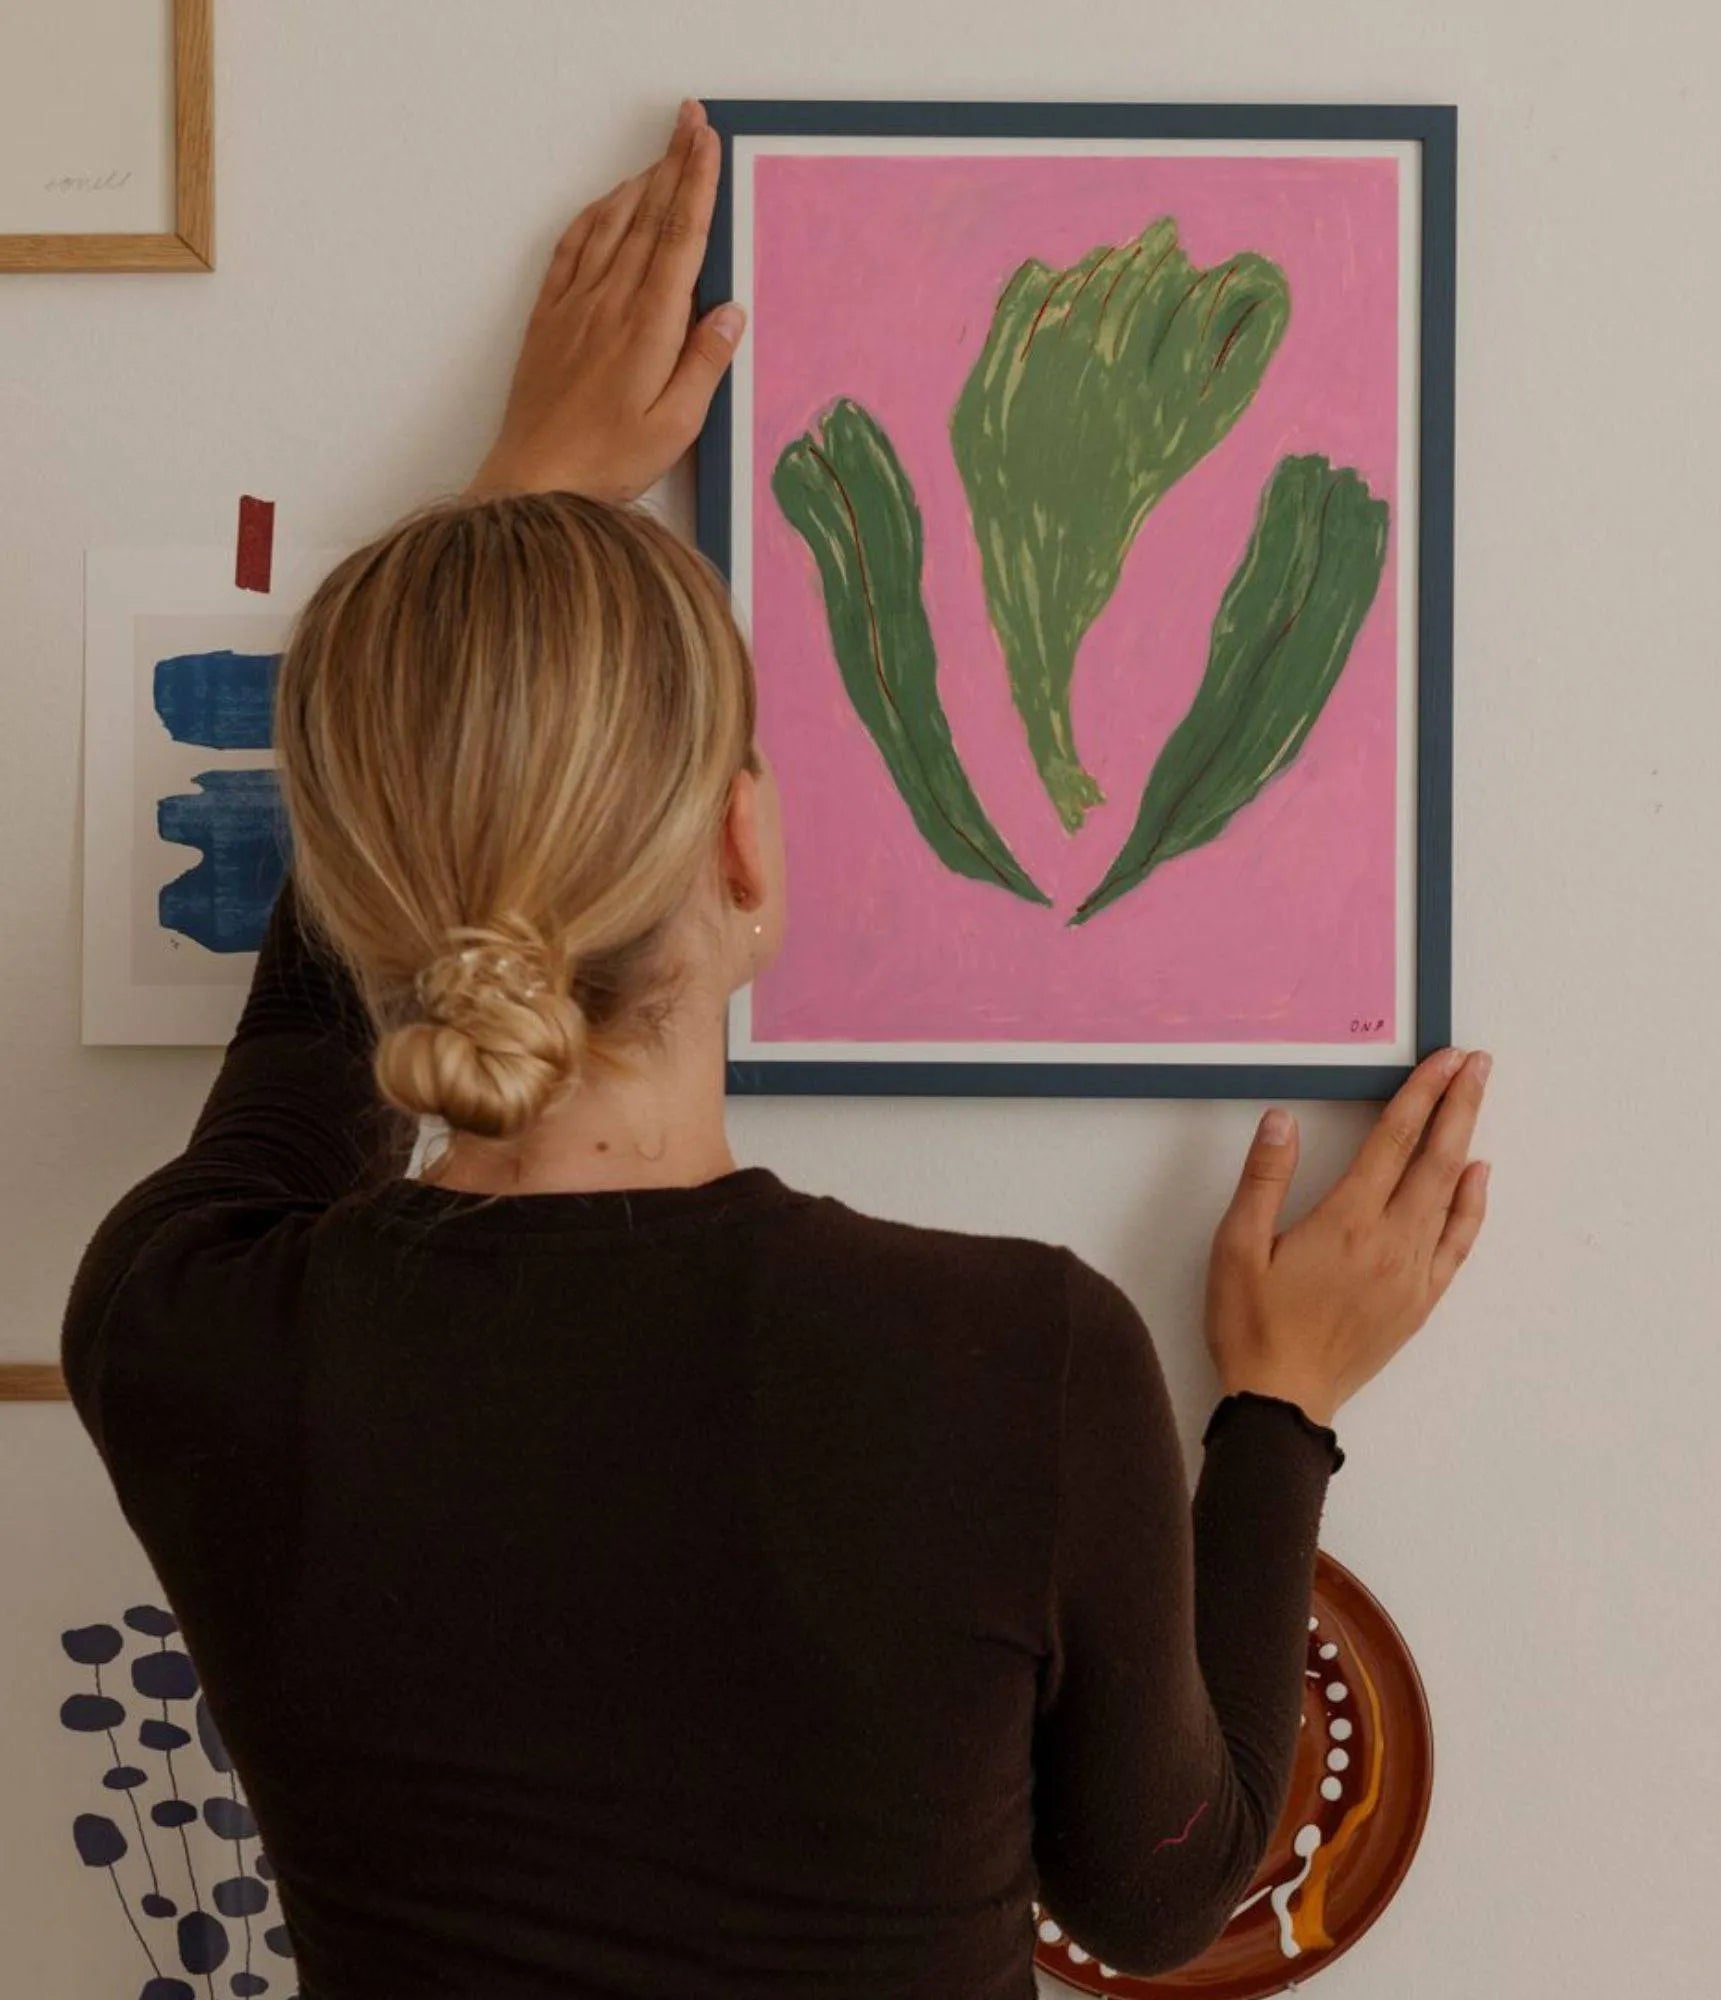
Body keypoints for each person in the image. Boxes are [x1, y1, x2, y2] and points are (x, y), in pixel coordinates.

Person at [62, 101, 1491, 2000]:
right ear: (749, 843)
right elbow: (1157, 1899)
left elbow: (322, 1023)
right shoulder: (1016, 1363)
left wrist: (518, 519)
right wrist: (1281, 1405)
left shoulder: (184, 1322)